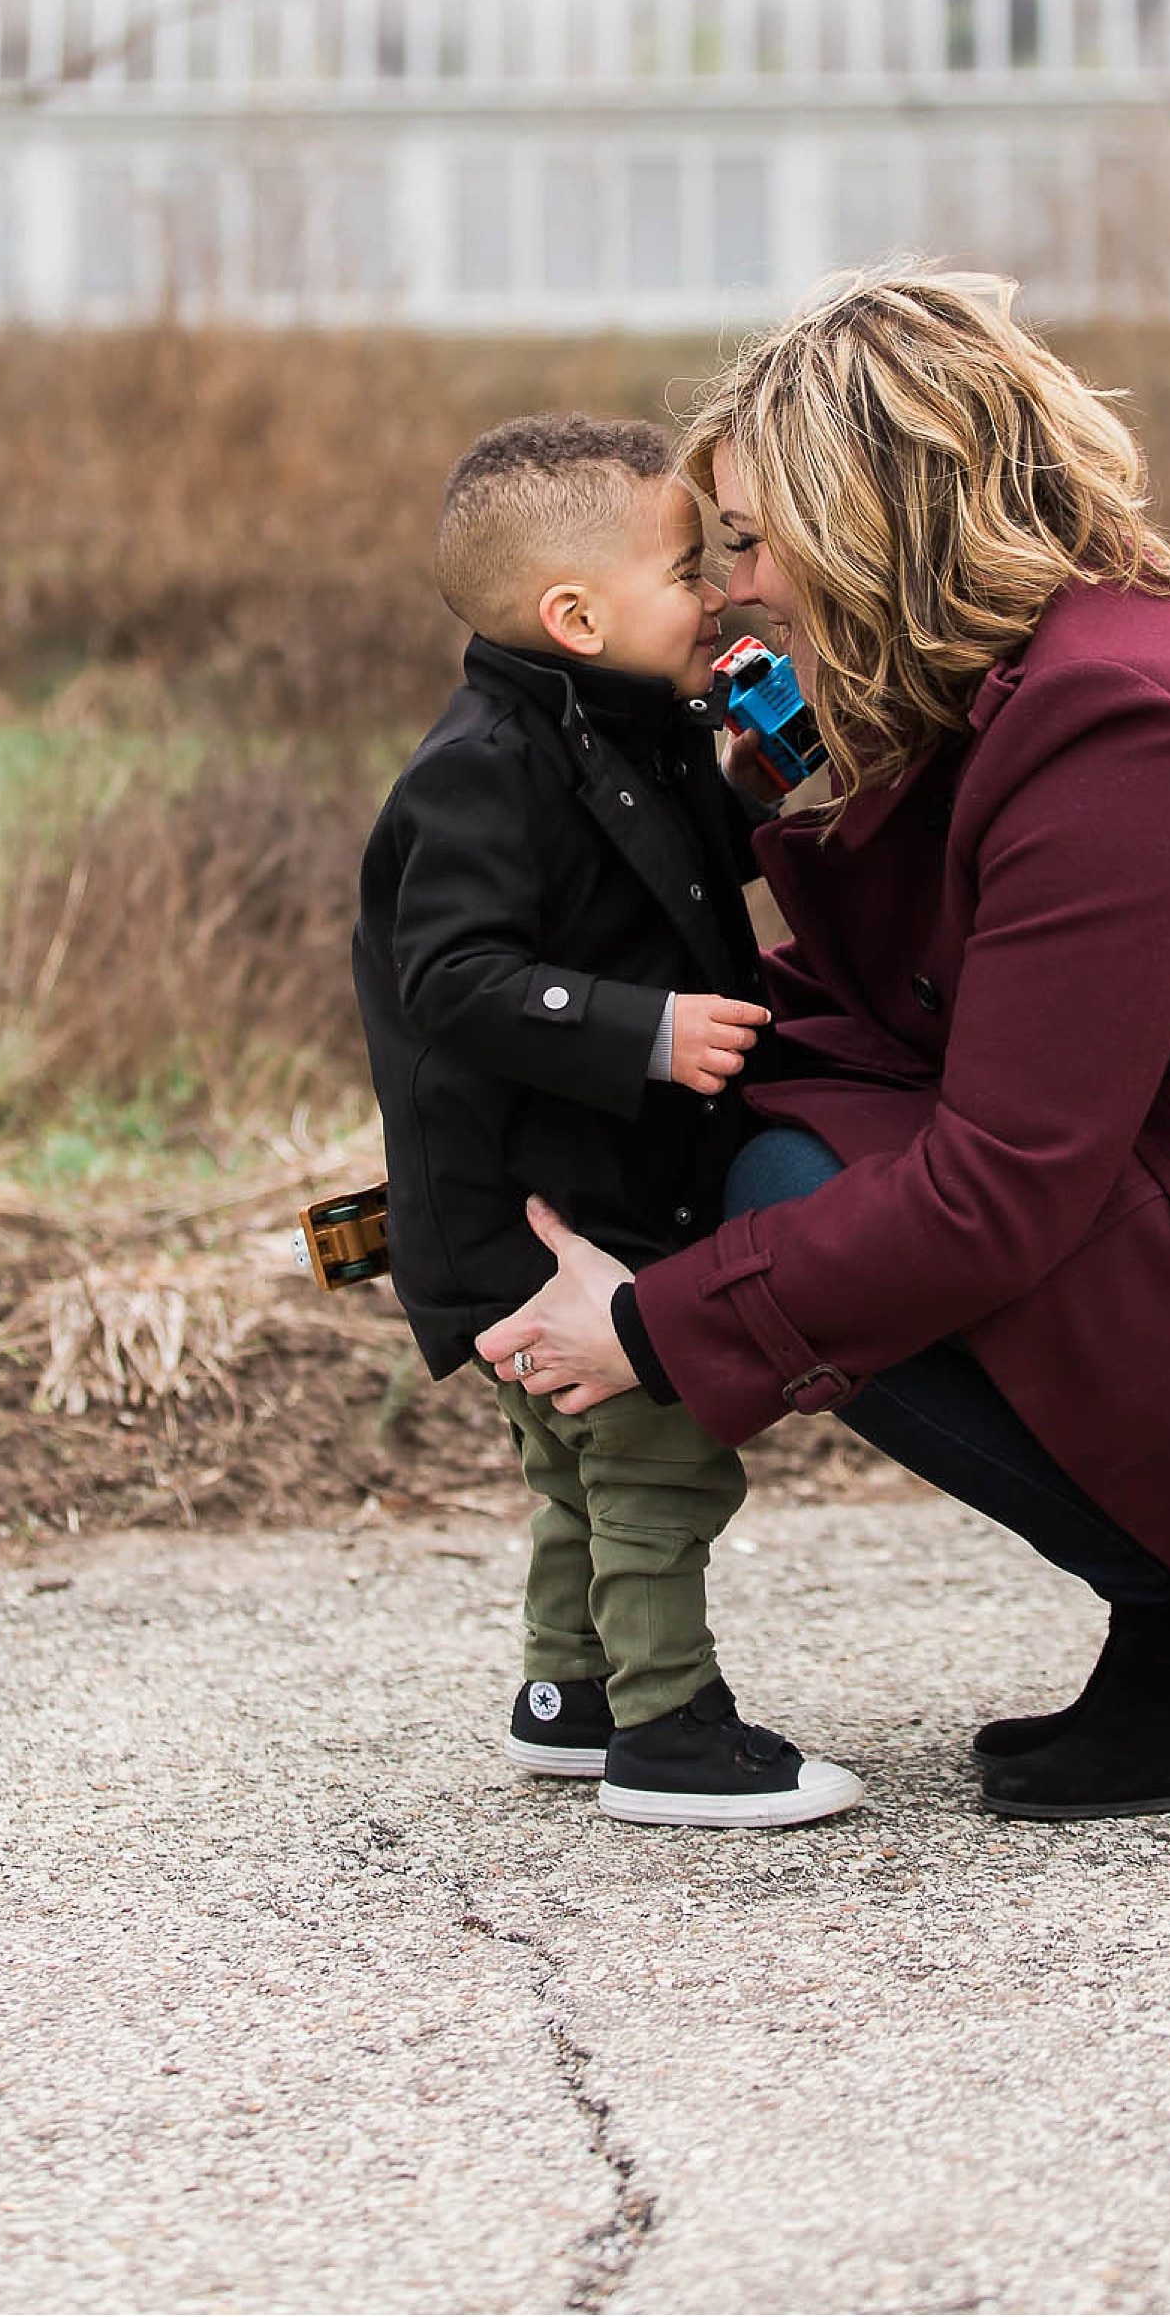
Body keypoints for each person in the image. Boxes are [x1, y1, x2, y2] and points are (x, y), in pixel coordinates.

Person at [479, 268, 1170, 1823]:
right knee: (768, 1131)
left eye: (748, 538)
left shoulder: (1120, 724)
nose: (731, 584)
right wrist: (571, 1089)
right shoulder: (1035, 676)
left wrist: (663, 1324)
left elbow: (1002, 1179)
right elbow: (916, 998)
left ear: (868, 516)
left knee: (787, 1193)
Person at [352, 413, 863, 1828]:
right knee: (656, 1446)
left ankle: (566, 1694)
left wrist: (764, 765)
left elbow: (664, 851)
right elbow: (450, 977)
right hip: (544, 1204)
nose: (718, 593)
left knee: (576, 1468)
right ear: (575, 615)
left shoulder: (614, 718)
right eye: (690, 569)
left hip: (573, 1178)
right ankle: (669, 1728)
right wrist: (648, 1030)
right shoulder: (479, 769)